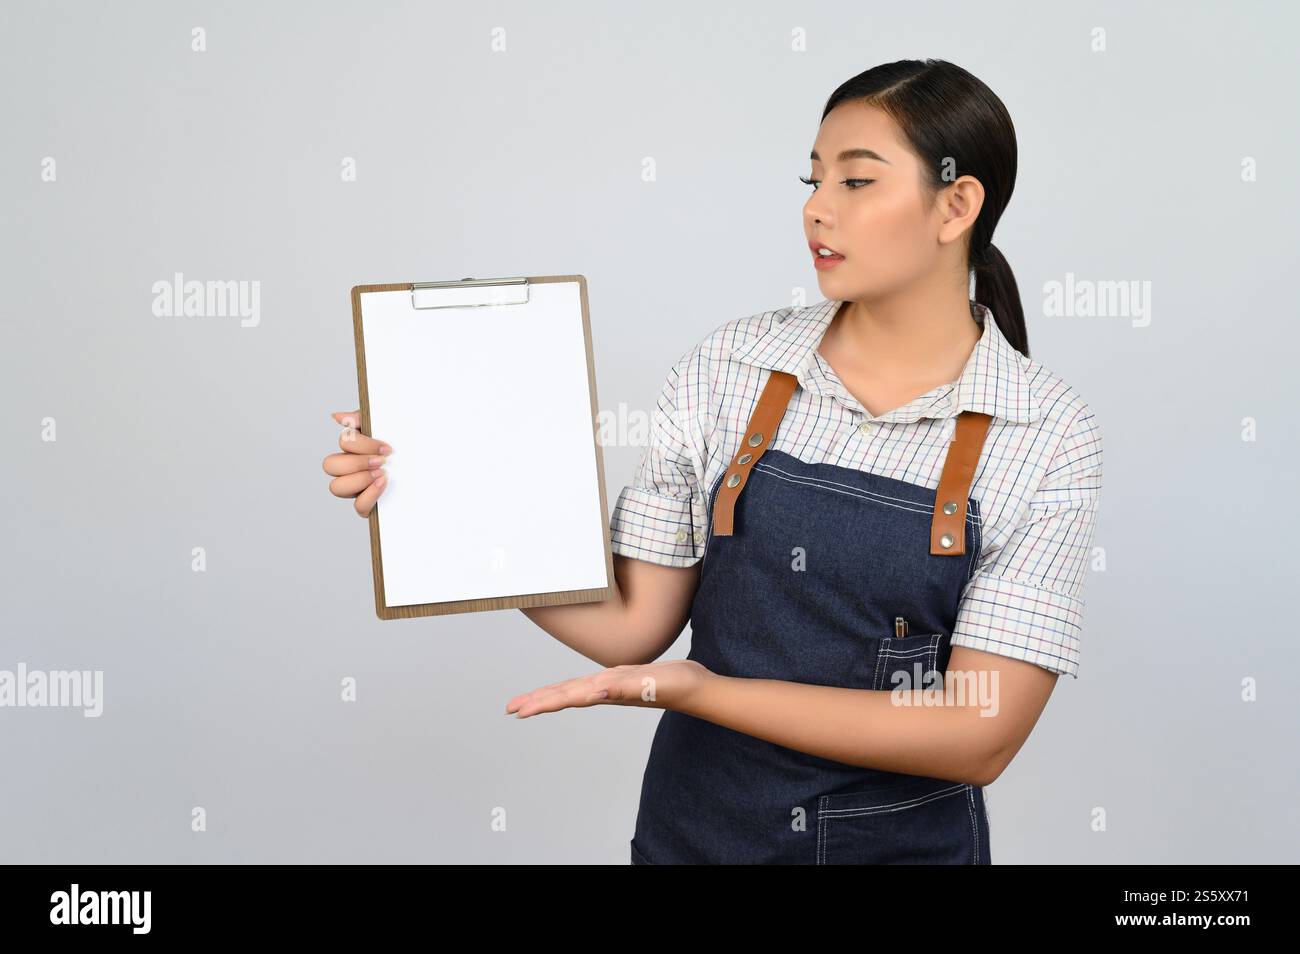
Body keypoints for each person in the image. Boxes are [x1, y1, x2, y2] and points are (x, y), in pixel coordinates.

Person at [321, 58, 1103, 865]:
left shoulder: (1044, 432)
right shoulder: (730, 365)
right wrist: (443, 494)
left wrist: (705, 692)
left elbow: (978, 735)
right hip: (693, 836)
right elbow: (632, 626)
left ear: (957, 205)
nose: (816, 210)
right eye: (812, 179)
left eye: (856, 183)